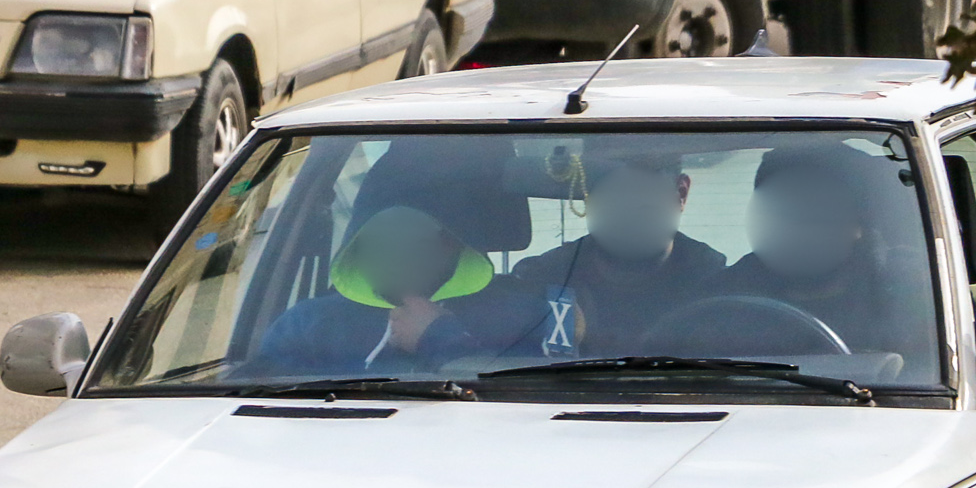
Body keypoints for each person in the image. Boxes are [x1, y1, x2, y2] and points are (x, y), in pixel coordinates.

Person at [254, 203, 555, 375]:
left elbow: (533, 404)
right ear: (354, 251)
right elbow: (256, 398)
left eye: (418, 247)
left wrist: (440, 338)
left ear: (453, 247)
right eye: (380, 246)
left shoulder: (524, 317)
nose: (397, 258)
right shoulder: (308, 324)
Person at [720, 144, 938, 373]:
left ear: (859, 222)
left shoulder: (914, 294)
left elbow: (927, 387)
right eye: (780, 211)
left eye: (816, 213)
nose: (797, 229)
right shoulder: (722, 292)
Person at [510, 152, 725, 356]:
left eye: (641, 196)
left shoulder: (719, 287)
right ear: (588, 200)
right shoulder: (543, 283)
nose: (626, 209)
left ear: (681, 193)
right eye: (611, 195)